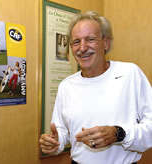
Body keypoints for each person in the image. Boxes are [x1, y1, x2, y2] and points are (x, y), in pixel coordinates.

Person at [39, 11, 152, 164]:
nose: (83, 48)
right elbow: (62, 131)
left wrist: (118, 134)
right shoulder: (67, 86)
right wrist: (55, 142)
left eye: (90, 39)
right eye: (76, 42)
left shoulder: (130, 74)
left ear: (106, 43)